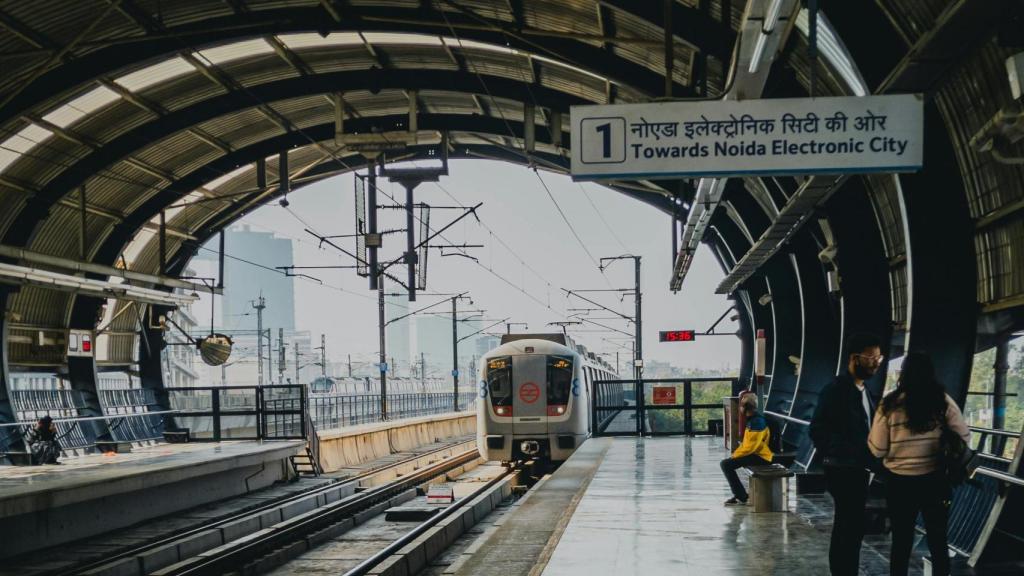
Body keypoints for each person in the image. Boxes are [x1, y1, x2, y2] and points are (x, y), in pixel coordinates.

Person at [868, 352, 969, 576]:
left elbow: (878, 448)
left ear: (904, 374)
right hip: (934, 480)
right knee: (938, 540)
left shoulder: (890, 405)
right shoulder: (942, 401)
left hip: (899, 483)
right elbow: (963, 436)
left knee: (901, 541)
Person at [810, 333, 884, 576]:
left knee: (851, 526)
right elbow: (817, 430)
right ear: (855, 359)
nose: (876, 363)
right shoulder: (835, 390)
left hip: (858, 468)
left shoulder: (864, 392)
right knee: (847, 525)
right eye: (871, 358)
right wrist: (843, 452)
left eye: (879, 358)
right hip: (844, 468)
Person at [720, 393, 773, 505]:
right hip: (756, 454)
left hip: (761, 456)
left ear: (744, 408)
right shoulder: (752, 419)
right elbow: (747, 445)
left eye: (741, 406)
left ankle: (741, 496)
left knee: (726, 464)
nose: (739, 408)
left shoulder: (757, 422)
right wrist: (736, 454)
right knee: (727, 464)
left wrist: (735, 455)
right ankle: (740, 495)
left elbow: (750, 447)